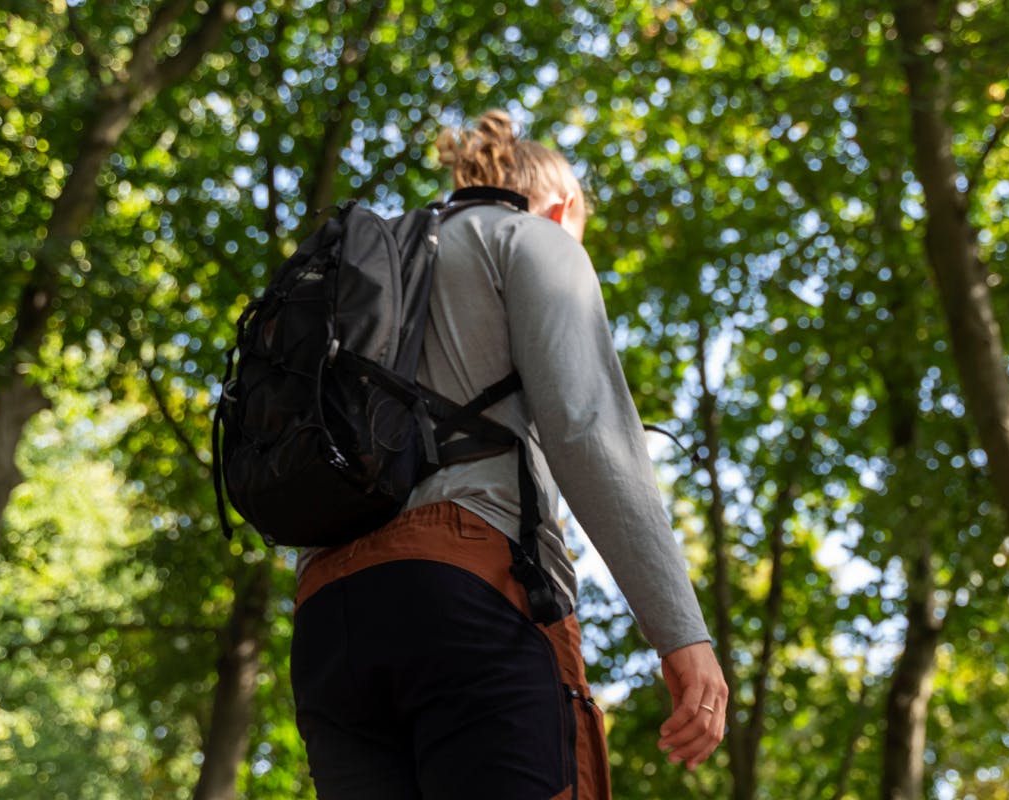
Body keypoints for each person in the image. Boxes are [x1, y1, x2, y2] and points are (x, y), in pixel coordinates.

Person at [289, 109, 726, 799]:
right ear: (562, 208)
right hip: (467, 592)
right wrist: (682, 635)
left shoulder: (372, 270)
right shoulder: (533, 239)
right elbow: (587, 430)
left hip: (327, 618)